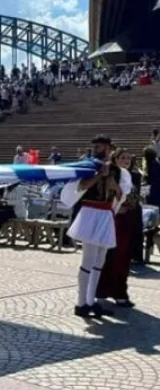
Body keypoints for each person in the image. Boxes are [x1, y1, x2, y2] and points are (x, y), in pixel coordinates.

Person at [61, 135, 131, 318]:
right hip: (91, 212)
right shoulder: (89, 166)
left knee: (100, 260)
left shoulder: (117, 170)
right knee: (88, 259)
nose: (97, 149)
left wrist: (115, 186)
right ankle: (81, 303)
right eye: (96, 146)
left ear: (109, 148)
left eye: (101, 146)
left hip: (106, 213)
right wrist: (100, 174)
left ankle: (91, 301)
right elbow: (81, 186)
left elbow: (121, 195)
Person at [96, 148, 141, 307]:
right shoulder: (111, 176)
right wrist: (115, 207)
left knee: (124, 258)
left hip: (129, 221)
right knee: (111, 256)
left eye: (128, 158)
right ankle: (103, 290)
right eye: (122, 158)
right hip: (115, 220)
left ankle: (119, 291)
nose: (126, 161)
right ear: (115, 160)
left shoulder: (134, 176)